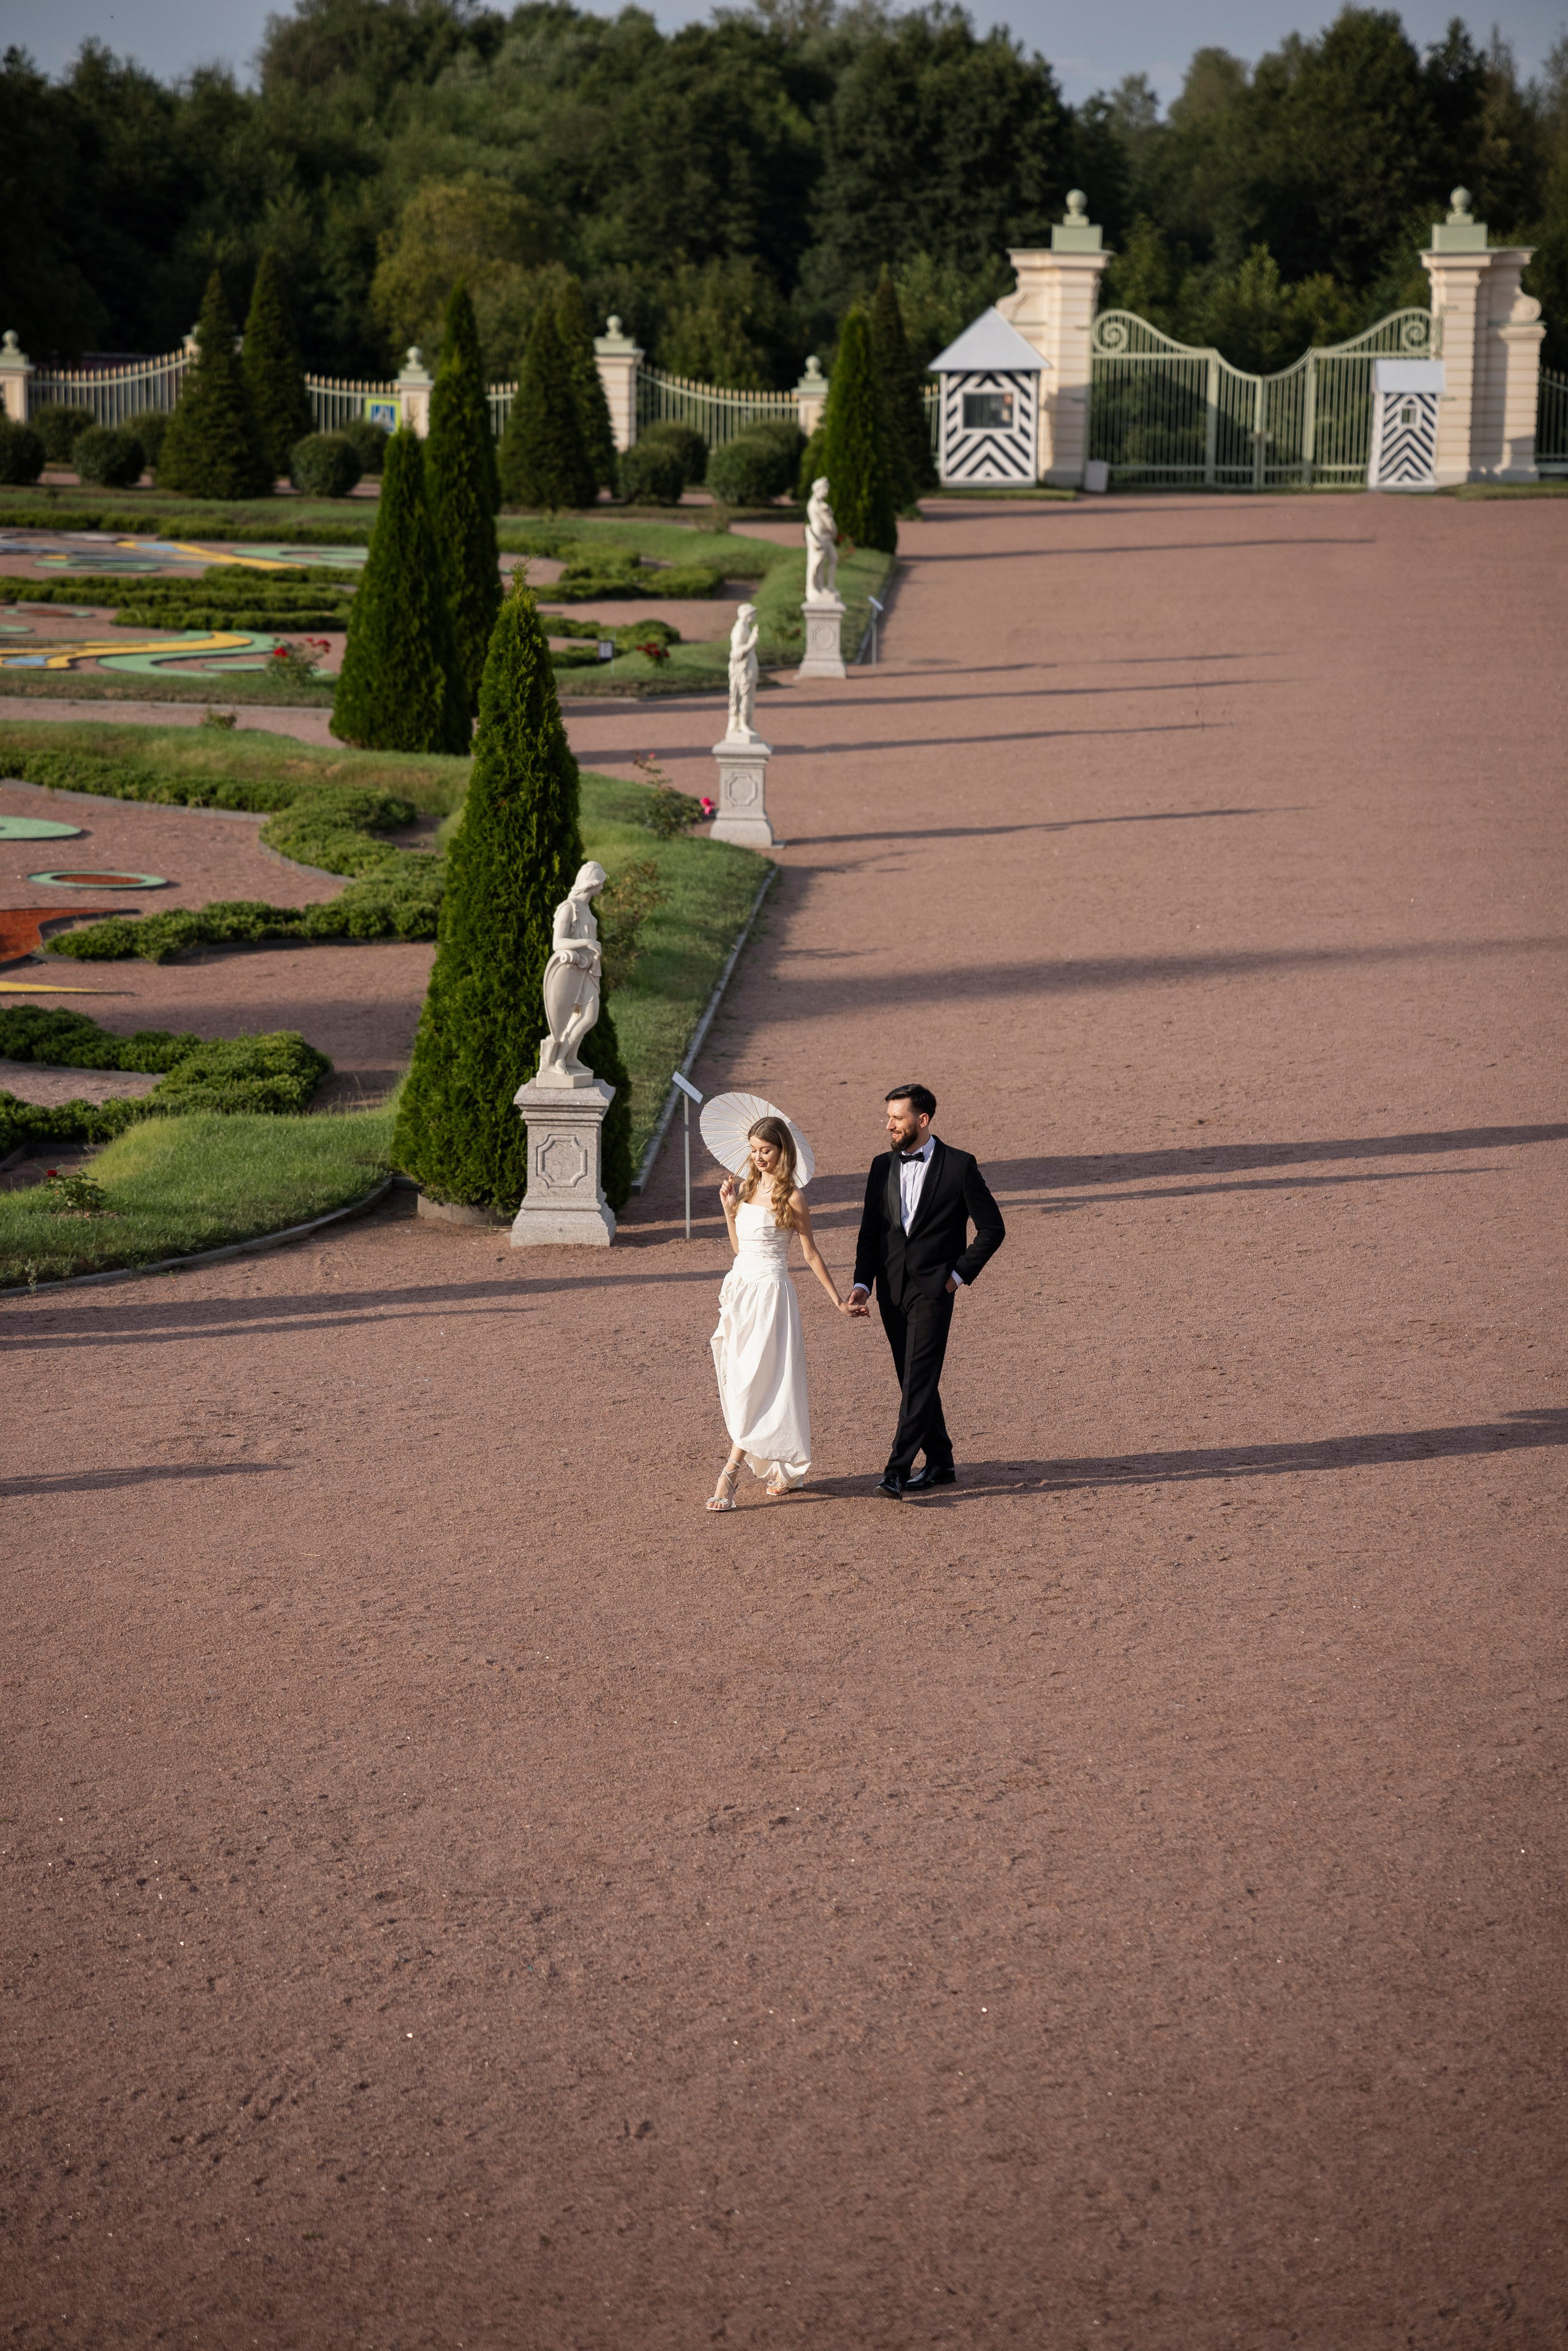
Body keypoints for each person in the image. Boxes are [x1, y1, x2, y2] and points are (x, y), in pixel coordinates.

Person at [846, 1084, 1005, 1499]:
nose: (888, 1124)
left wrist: (957, 1276)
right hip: (890, 1289)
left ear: (922, 1120)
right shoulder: (881, 1165)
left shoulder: (959, 1165)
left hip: (934, 1289)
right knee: (911, 1376)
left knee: (918, 1377)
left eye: (896, 1118)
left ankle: (896, 1470)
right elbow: (870, 1232)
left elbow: (993, 1228)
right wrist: (862, 1284)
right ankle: (940, 1460)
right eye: (888, 1117)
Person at [708, 1116, 847, 1511]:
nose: (758, 1157)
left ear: (783, 1151)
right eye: (753, 1150)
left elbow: (810, 1253)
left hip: (771, 1295)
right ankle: (781, 1466)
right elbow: (739, 1249)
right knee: (739, 1379)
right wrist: (728, 1210)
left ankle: (730, 1472)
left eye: (765, 1150)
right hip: (740, 1291)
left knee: (758, 1380)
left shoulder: (793, 1198)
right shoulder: (747, 1190)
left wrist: (837, 1301)